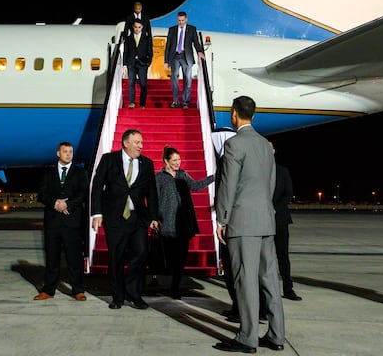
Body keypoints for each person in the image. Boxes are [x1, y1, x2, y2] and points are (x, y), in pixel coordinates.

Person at [215, 96, 285, 352]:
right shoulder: (266, 146)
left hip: (243, 223)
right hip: (266, 220)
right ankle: (276, 336)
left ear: (234, 114)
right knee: (268, 280)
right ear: (252, 115)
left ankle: (247, 338)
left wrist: (221, 218)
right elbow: (271, 183)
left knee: (245, 281)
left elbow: (228, 185)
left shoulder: (234, 144)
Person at [91, 129, 160, 310]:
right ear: (125, 143)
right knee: (116, 258)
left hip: (137, 218)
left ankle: (133, 291)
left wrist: (153, 216)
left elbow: (152, 192)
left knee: (142, 252)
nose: (141, 146)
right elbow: (97, 187)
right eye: (137, 142)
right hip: (115, 218)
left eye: (141, 142)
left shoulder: (147, 164)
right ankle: (118, 297)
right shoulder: (108, 159)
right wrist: (97, 214)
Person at [155, 145, 214, 299]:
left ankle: (175, 288)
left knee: (181, 258)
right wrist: (155, 217)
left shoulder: (183, 175)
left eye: (179, 159)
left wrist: (213, 177)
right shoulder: (159, 177)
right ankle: (162, 282)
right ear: (166, 161)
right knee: (169, 257)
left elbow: (195, 186)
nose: (177, 162)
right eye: (174, 160)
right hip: (166, 223)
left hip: (183, 223)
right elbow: (154, 199)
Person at [34, 141, 89, 301]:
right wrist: (55, 204)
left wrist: (67, 205)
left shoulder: (80, 173)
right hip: (53, 222)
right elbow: (41, 194)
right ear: (58, 153)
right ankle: (48, 290)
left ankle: (78, 290)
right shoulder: (48, 173)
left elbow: (82, 193)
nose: (68, 154)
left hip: (72, 222)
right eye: (65, 151)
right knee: (52, 258)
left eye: (70, 152)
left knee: (74, 259)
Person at [271, 143, 302, 302]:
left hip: (280, 219)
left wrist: (274, 208)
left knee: (283, 256)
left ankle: (288, 289)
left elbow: (288, 193)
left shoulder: (283, 171)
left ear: (275, 151)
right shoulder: (257, 171)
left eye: (270, 148)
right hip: (262, 220)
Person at [163, 11, 205, 109]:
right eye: (179, 20)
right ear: (177, 20)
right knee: (174, 78)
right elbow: (168, 46)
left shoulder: (192, 29)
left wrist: (199, 51)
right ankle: (176, 101)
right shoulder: (172, 29)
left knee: (188, 80)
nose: (181, 22)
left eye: (182, 20)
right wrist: (166, 61)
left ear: (186, 19)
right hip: (175, 57)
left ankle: (185, 102)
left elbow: (196, 43)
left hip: (186, 57)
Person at [122, 19, 153, 109]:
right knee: (131, 83)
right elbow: (126, 52)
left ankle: (142, 104)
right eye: (135, 27)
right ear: (133, 27)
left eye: (139, 27)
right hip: (131, 63)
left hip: (142, 64)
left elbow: (150, 52)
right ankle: (132, 102)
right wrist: (124, 64)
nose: (137, 29)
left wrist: (148, 63)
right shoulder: (128, 39)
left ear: (142, 27)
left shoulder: (147, 39)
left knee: (143, 84)